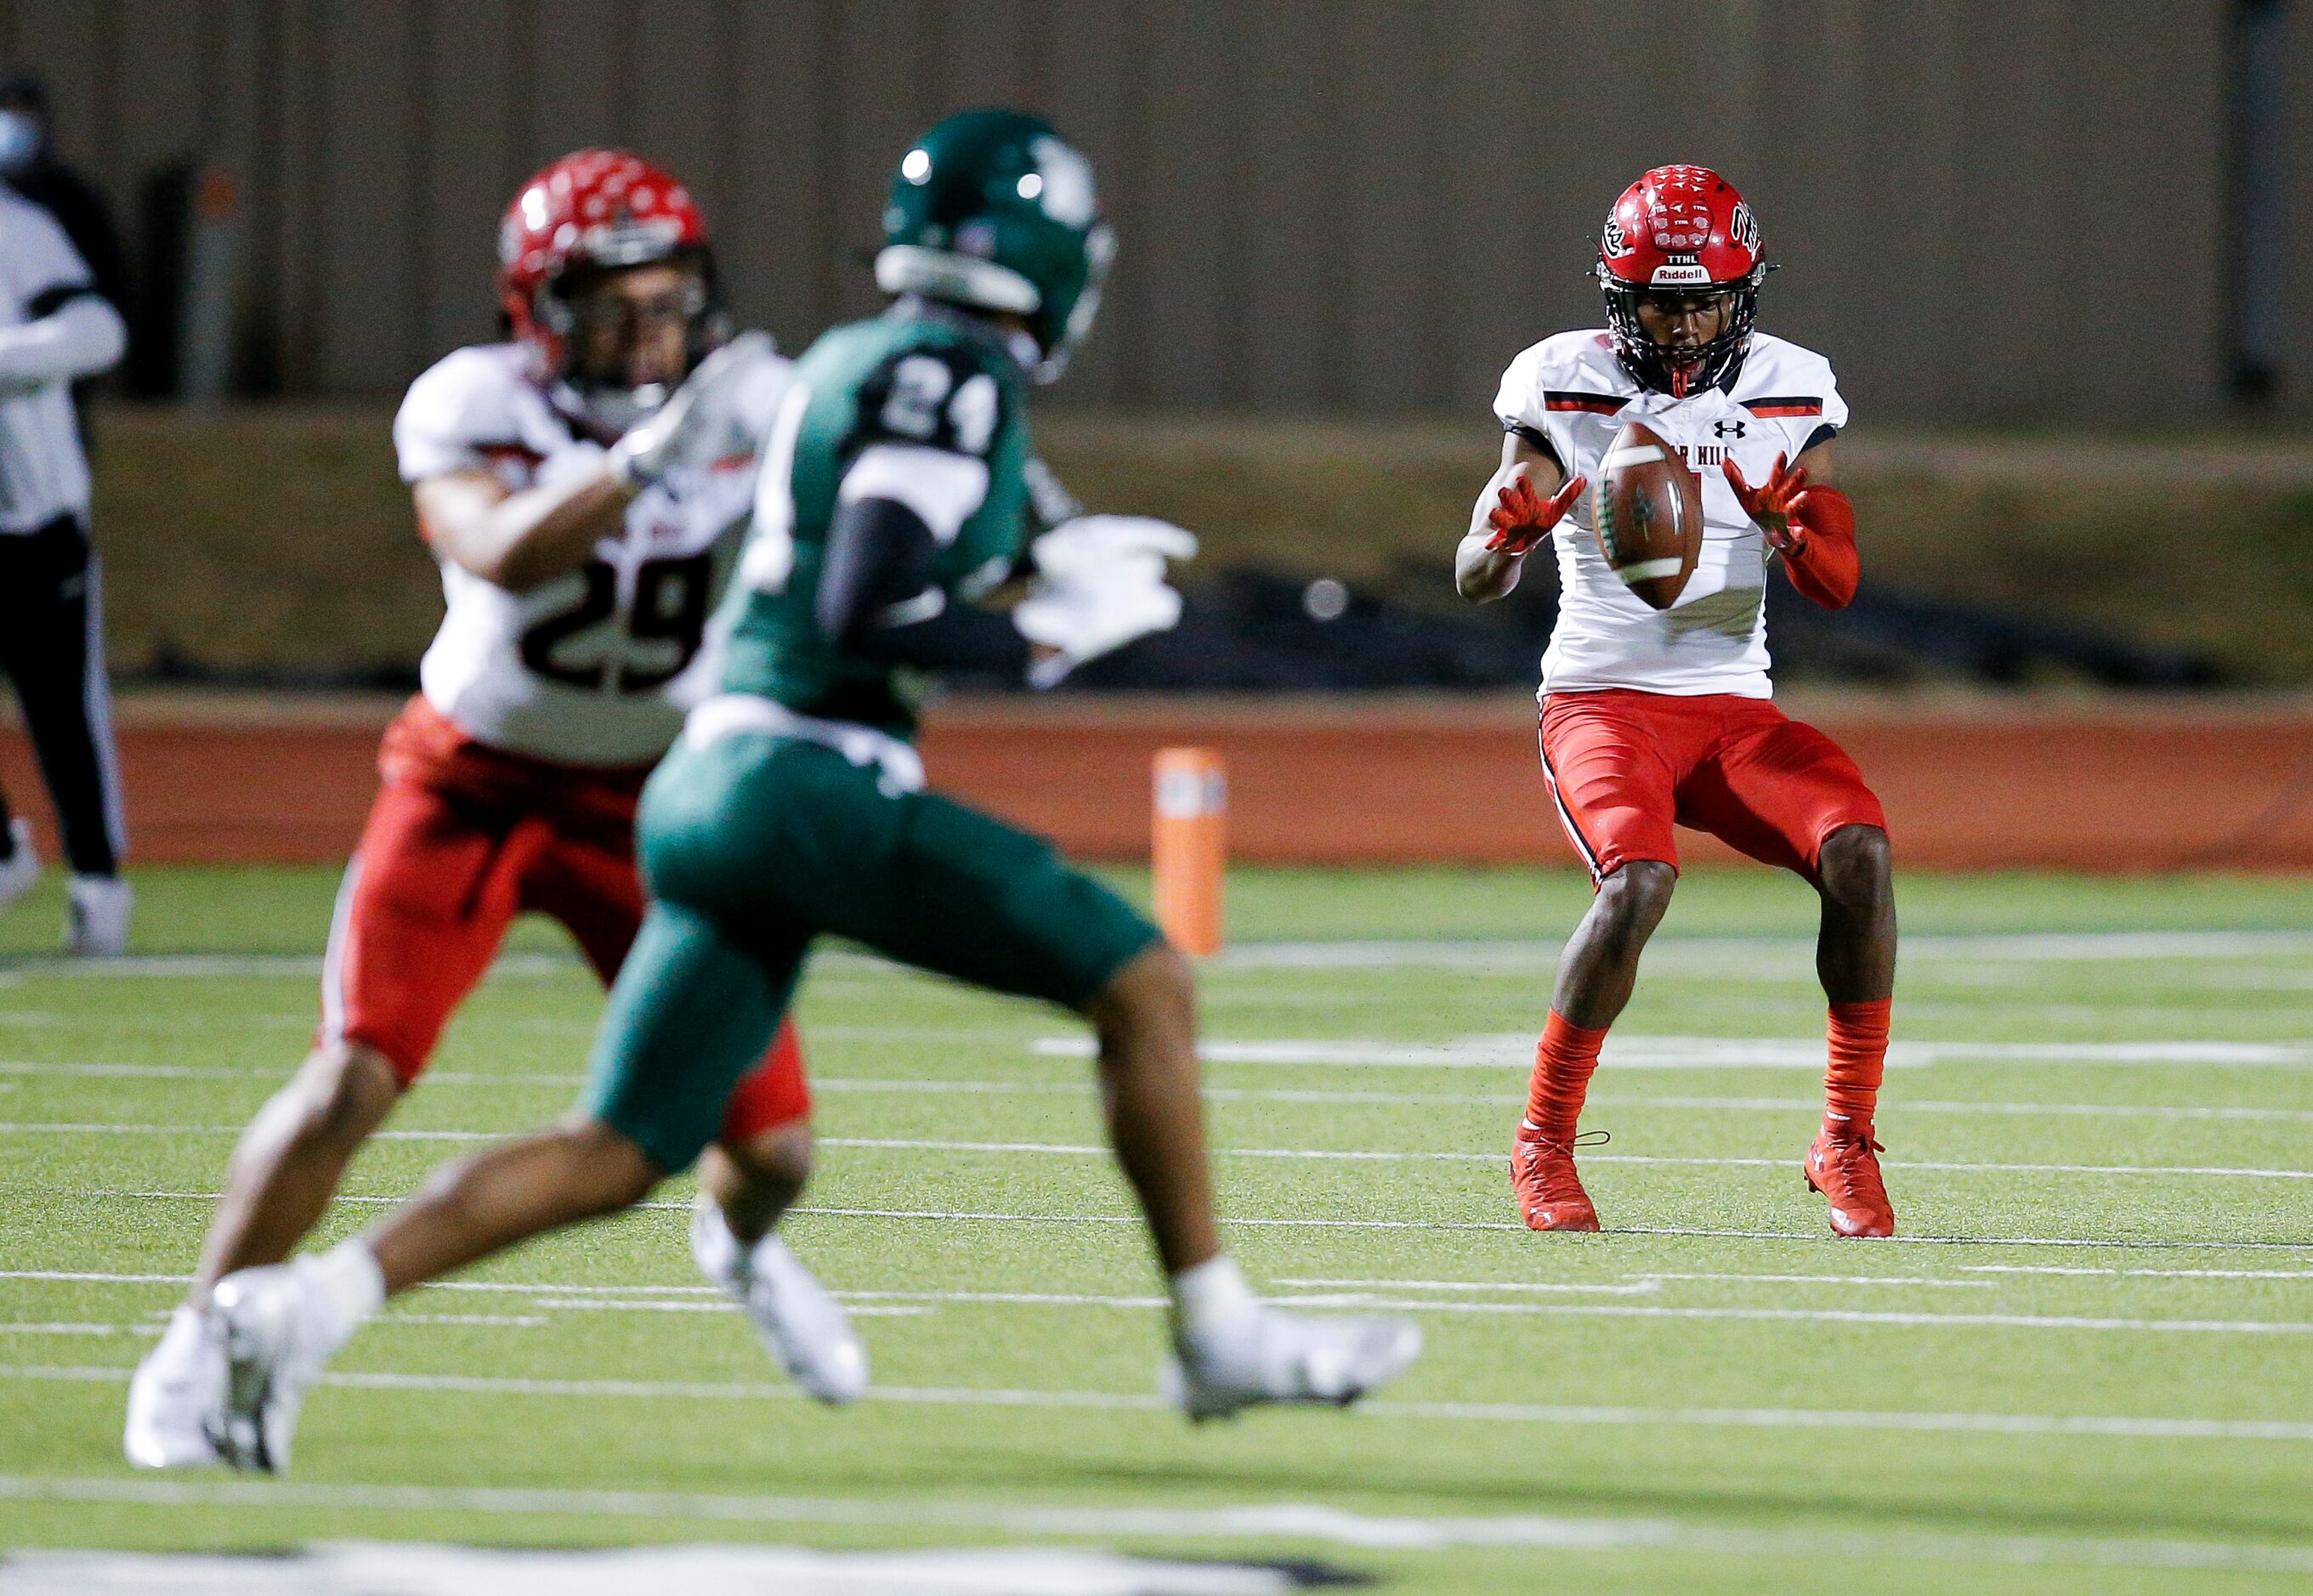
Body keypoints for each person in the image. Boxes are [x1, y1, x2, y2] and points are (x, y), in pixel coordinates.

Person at [200, 110, 1420, 1474]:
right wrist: (1041, 633)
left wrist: (1061, 561)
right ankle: (1216, 1330)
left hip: (699, 776)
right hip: (798, 775)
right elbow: (872, 599)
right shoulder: (947, 376)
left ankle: (303, 1306)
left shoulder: (856, 357)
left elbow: (929, 533)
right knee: (1142, 980)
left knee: (621, 1146)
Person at [125, 151, 853, 1471]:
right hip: (473, 785)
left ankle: (736, 1248)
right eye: (612, 301)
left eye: (668, 296)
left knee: (780, 1146)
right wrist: (652, 455)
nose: (648, 328)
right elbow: (507, 551)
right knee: (353, 1071)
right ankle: (194, 1339)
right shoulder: (472, 403)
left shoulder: (758, 405)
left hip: (659, 800)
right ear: (539, 306)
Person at [1457, 164, 1897, 1239]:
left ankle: (1844, 1137)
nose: (1687, 319)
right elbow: (1474, 568)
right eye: (1663, 298)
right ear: (1621, 298)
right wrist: (1500, 545)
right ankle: (1542, 1147)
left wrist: (1795, 533)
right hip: (1604, 701)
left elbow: (1837, 585)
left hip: (1733, 707)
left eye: (1706, 297)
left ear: (1744, 294)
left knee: (1862, 850)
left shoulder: (1792, 386)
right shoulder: (1561, 379)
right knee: (1639, 880)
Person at [0, 177, 130, 954]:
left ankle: (98, 885)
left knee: (63, 712)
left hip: (35, 520)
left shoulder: (15, 228)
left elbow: (99, 332)